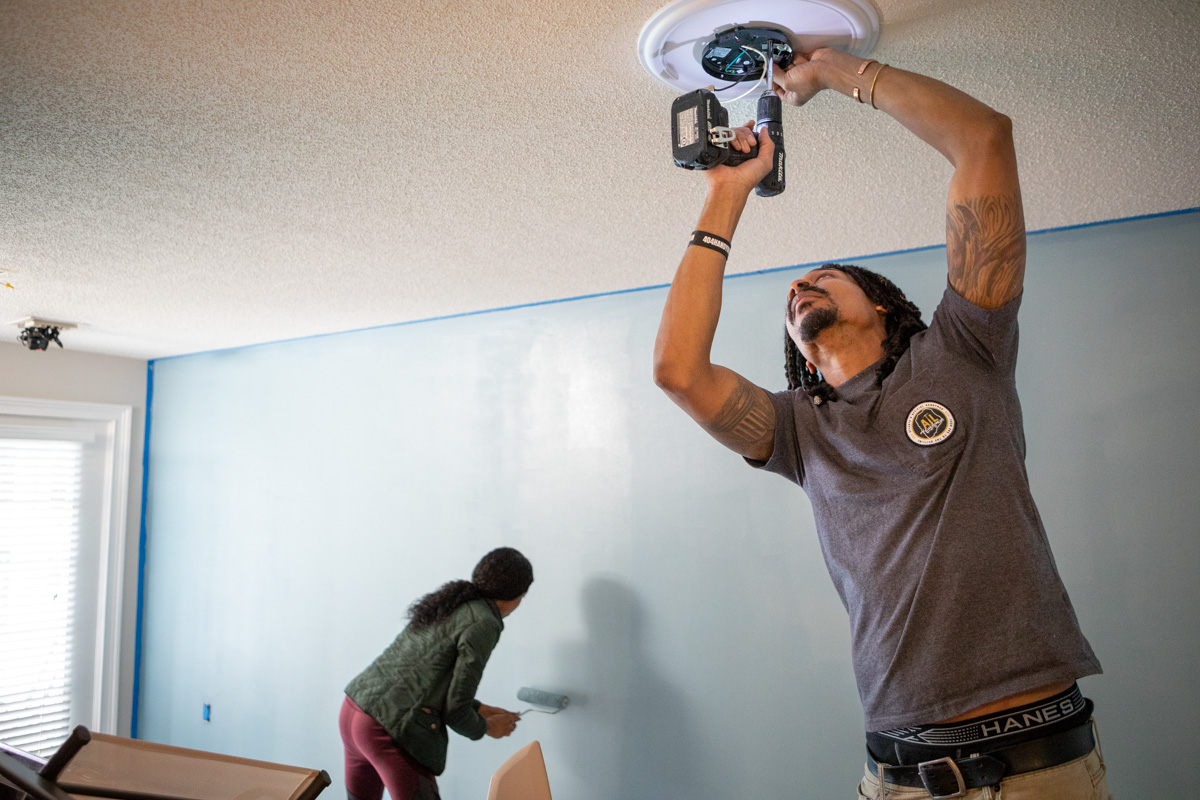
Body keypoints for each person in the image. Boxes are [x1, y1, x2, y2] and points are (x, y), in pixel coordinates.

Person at [653, 47, 1110, 799]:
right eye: (793, 291)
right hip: (892, 774)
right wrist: (727, 192)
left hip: (1034, 762)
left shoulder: (964, 350)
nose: (800, 285)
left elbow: (984, 139)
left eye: (823, 275)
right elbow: (679, 373)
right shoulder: (798, 430)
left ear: (887, 305)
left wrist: (829, 70)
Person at [339, 547, 532, 800]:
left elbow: (425, 680)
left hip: (355, 711)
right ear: (516, 595)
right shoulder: (485, 622)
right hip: (389, 731)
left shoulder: (455, 602)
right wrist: (487, 727)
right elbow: (455, 709)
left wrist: (481, 708)